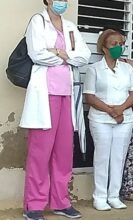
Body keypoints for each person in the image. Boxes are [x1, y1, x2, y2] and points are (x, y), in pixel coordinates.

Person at [20, 0, 91, 219]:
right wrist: (68, 56)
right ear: (48, 0)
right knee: (40, 153)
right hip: (45, 94)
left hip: (68, 95)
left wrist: (60, 53)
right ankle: (34, 205)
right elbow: (37, 54)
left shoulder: (70, 26)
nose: (63, 2)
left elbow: (84, 56)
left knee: (63, 152)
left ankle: (61, 202)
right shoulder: (38, 21)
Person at [84, 29, 133, 211]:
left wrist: (121, 109)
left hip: (125, 118)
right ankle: (99, 196)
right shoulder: (94, 69)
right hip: (101, 119)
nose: (118, 47)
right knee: (102, 156)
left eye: (120, 44)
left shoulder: (127, 68)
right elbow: (90, 97)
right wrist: (111, 110)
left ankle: (114, 195)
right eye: (114, 44)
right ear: (104, 48)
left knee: (119, 157)